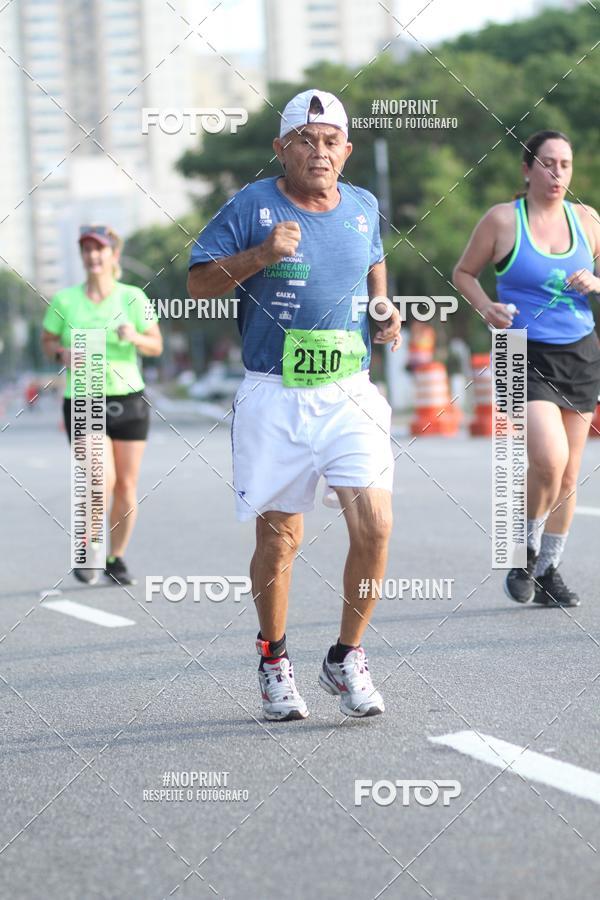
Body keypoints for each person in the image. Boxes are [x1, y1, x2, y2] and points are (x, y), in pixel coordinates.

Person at [188, 89, 401, 721]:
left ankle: (347, 655)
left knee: (376, 525)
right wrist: (261, 255)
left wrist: (382, 307)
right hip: (274, 393)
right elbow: (197, 285)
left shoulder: (363, 206)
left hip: (349, 390)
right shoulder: (251, 206)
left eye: (331, 141)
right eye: (306, 141)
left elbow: (374, 261)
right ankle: (273, 659)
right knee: (280, 539)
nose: (319, 152)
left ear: (346, 151)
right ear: (282, 148)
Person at [454, 130, 600, 607]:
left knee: (569, 475)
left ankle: (547, 571)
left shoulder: (587, 220)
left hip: (579, 353)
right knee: (549, 459)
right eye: (548, 162)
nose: (557, 172)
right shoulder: (502, 220)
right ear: (527, 168)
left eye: (565, 164)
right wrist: (486, 308)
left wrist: (595, 281)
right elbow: (463, 273)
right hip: (521, 351)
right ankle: (524, 551)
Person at [41, 225, 163, 585]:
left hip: (129, 398)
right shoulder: (65, 301)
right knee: (99, 478)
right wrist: (61, 353)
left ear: (113, 255)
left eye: (99, 249)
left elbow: (156, 345)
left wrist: (135, 336)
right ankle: (89, 545)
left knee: (125, 485)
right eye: (87, 250)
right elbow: (47, 342)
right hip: (84, 397)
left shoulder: (133, 297)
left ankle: (115, 557)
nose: (93, 256)